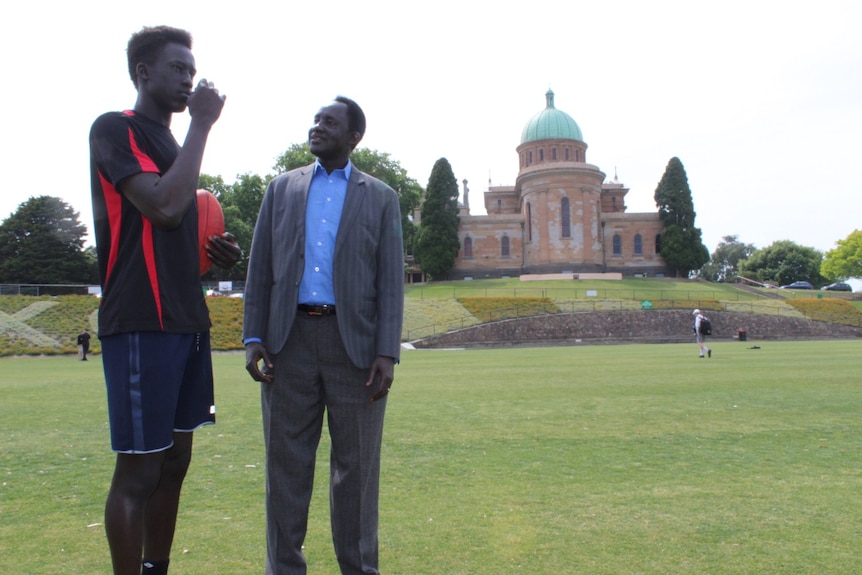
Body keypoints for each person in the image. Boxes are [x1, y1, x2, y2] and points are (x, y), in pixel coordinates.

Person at [88, 25, 239, 575]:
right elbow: (165, 207)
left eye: (193, 73)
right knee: (139, 471)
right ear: (143, 72)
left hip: (184, 319)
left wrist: (210, 252)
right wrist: (202, 123)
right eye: (178, 69)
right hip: (140, 320)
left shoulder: (176, 148)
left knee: (175, 461)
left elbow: (176, 222)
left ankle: (158, 568)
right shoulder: (114, 129)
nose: (188, 81)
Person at [243, 96, 404, 575]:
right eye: (316, 120)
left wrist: (386, 352)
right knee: (284, 468)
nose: (317, 127)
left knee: (356, 473)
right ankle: (284, 568)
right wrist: (254, 336)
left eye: (329, 123)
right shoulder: (281, 189)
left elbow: (390, 281)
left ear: (354, 137)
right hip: (286, 344)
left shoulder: (381, 197)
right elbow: (260, 268)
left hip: (353, 350)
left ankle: (358, 568)